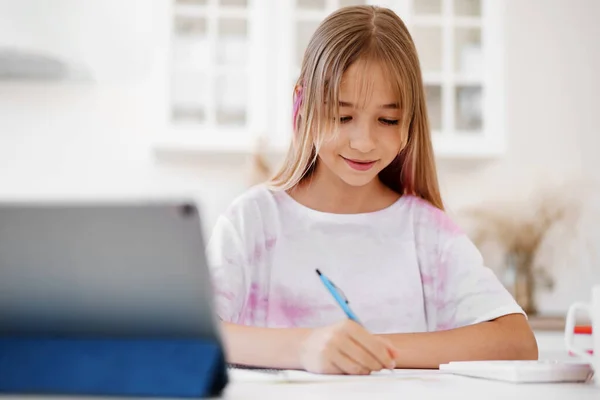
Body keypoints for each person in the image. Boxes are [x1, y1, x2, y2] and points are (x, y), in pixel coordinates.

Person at [207, 5, 538, 375]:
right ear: (301, 104)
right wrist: (304, 347)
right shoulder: (252, 220)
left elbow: (517, 342)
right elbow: (195, 336)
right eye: (343, 116)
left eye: (388, 119)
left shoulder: (425, 232)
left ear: (410, 121)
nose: (364, 142)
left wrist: (370, 349)